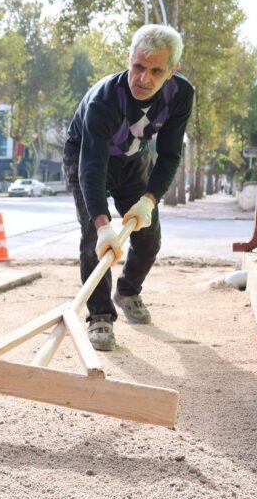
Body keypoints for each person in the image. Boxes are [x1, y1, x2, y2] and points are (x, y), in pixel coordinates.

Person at [64, 24, 195, 351]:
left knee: (149, 239)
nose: (143, 79)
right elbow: (91, 165)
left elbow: (169, 154)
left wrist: (149, 200)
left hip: (134, 159)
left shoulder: (181, 95)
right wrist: (102, 223)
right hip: (87, 156)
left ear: (172, 70)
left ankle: (127, 291)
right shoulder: (104, 100)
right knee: (95, 239)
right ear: (129, 59)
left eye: (155, 71)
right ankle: (100, 317)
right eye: (138, 67)